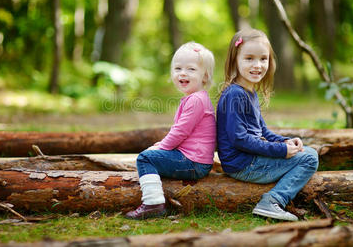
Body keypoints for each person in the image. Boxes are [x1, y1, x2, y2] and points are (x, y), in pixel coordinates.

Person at [216, 28, 318, 221]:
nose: (258, 65)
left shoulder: (249, 92)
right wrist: (280, 150)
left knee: (307, 152)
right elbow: (240, 139)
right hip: (242, 164)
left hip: (248, 159)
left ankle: (275, 197)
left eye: (263, 59)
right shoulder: (235, 94)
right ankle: (273, 201)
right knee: (310, 158)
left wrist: (286, 142)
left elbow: (262, 130)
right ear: (234, 61)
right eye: (249, 59)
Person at [126, 42, 216, 219]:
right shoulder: (194, 98)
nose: (182, 73)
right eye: (178, 68)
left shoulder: (196, 100)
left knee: (145, 158)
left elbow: (180, 132)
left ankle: (153, 203)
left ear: (204, 77)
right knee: (154, 154)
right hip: (194, 159)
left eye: (191, 69)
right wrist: (160, 145)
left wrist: (160, 148)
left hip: (194, 162)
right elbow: (180, 131)